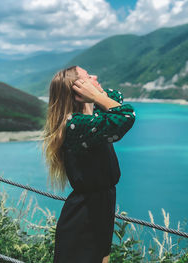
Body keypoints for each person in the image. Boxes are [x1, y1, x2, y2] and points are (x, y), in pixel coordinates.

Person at [42, 65, 136, 263]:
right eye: (88, 76)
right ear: (78, 91)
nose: (96, 76)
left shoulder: (91, 121)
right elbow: (125, 116)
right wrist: (96, 96)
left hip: (99, 209)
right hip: (84, 218)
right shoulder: (76, 125)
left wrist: (95, 93)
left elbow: (116, 98)